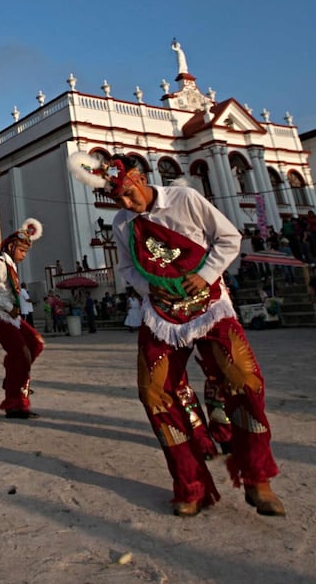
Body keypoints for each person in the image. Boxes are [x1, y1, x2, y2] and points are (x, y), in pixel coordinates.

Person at [68, 150, 285, 518]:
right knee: (154, 392)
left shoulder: (184, 199)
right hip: (161, 314)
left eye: (127, 192)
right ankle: (190, 484)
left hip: (210, 305)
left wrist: (206, 273)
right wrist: (149, 288)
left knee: (245, 380)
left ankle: (257, 476)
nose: (125, 202)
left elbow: (229, 237)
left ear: (139, 177)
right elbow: (126, 268)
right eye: (117, 197)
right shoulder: (123, 223)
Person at [0, 218, 44, 418]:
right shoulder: (0, 263)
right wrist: (8, 306)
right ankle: (15, 403)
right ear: (10, 246)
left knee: (35, 343)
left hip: (9, 315)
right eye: (21, 251)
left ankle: (12, 378)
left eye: (26, 252)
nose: (23, 255)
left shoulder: (11, 265)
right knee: (22, 353)